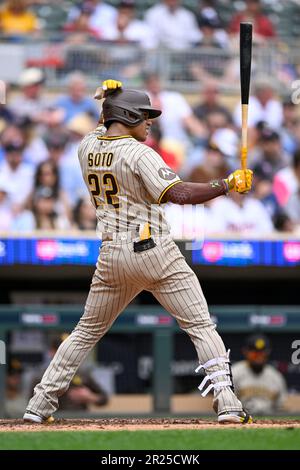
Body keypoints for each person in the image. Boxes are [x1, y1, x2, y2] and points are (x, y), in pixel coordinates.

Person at [23, 79, 253, 425]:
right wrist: (227, 184)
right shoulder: (139, 152)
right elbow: (180, 195)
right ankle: (228, 401)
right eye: (144, 115)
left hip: (111, 253)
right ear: (127, 115)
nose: (150, 121)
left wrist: (106, 99)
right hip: (153, 249)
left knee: (85, 331)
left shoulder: (86, 146)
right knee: (200, 324)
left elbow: (103, 126)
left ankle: (39, 405)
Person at [232, 334, 287, 415]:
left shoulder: (276, 376)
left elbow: (280, 407)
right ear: (245, 352)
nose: (259, 356)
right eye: (254, 352)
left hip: (269, 422)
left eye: (262, 352)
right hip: (241, 420)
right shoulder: (235, 373)